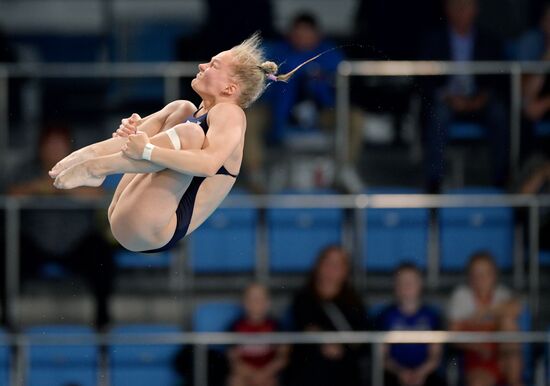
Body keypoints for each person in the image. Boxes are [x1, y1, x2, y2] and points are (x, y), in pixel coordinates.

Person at [48, 33, 313, 253]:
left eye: (213, 65)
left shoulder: (231, 113)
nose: (202, 66)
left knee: (191, 134)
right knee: (180, 109)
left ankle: (99, 168)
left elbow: (209, 165)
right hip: (127, 215)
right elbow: (141, 149)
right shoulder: (191, 112)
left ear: (230, 89)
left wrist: (148, 149)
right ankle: (92, 158)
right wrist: (133, 138)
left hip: (153, 227)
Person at [245, 12, 365, 193]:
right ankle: (256, 175)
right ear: (290, 34)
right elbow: (258, 75)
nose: (302, 38)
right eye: (298, 33)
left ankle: (343, 170)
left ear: (317, 35)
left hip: (321, 113)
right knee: (247, 119)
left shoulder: (329, 53)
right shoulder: (276, 51)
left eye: (307, 33)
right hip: (278, 112)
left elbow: (337, 78)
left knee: (355, 118)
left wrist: (315, 73)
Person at [9, 124, 114, 328]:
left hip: (76, 244)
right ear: (41, 147)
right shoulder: (27, 169)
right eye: (50, 145)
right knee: (9, 253)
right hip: (35, 243)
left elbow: (98, 195)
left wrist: (65, 185)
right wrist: (40, 187)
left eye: (59, 145)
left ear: (68, 147)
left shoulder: (84, 167)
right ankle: (8, 319)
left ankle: (103, 320)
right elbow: (11, 194)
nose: (54, 150)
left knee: (101, 253)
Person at [419, 0, 508, 192]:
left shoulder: (489, 41)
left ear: (476, 10)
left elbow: (498, 82)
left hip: (480, 101)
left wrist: (478, 100)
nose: (460, 11)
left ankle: (502, 183)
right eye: (455, 6)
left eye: (465, 6)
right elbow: (424, 82)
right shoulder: (434, 39)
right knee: (438, 115)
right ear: (446, 9)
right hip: (448, 100)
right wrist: (449, 97)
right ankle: (433, 186)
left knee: (499, 113)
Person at [285, 245, 368, 386]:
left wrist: (342, 349)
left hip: (344, 373)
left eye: (338, 264)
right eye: (328, 263)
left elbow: (361, 339)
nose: (332, 269)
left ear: (346, 270)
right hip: (309, 372)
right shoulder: (303, 298)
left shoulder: (355, 302)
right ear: (318, 266)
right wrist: (324, 341)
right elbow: (305, 326)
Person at [447, 251, 524, 386]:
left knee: (508, 322)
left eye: (485, 273)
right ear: (469, 276)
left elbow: (517, 308)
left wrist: (486, 311)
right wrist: (478, 347)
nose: (480, 278)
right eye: (475, 273)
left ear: (493, 275)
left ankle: (514, 380)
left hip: (503, 356)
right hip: (477, 355)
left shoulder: (501, 294)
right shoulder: (461, 296)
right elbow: (453, 335)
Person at [376, 263, 446, 386]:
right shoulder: (385, 316)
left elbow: (436, 355)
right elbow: (382, 356)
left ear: (420, 285)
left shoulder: (432, 316)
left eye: (411, 281)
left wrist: (420, 373)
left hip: (426, 374)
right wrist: (401, 372)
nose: (407, 286)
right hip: (394, 374)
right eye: (402, 282)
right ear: (395, 286)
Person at [227, 283, 288, 386]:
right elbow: (234, 360)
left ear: (268, 302)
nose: (255, 303)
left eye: (260, 299)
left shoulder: (276, 326)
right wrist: (253, 375)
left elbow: (283, 357)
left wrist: (264, 374)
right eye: (251, 299)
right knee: (235, 381)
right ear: (244, 303)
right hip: (244, 375)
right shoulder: (235, 327)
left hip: (269, 374)